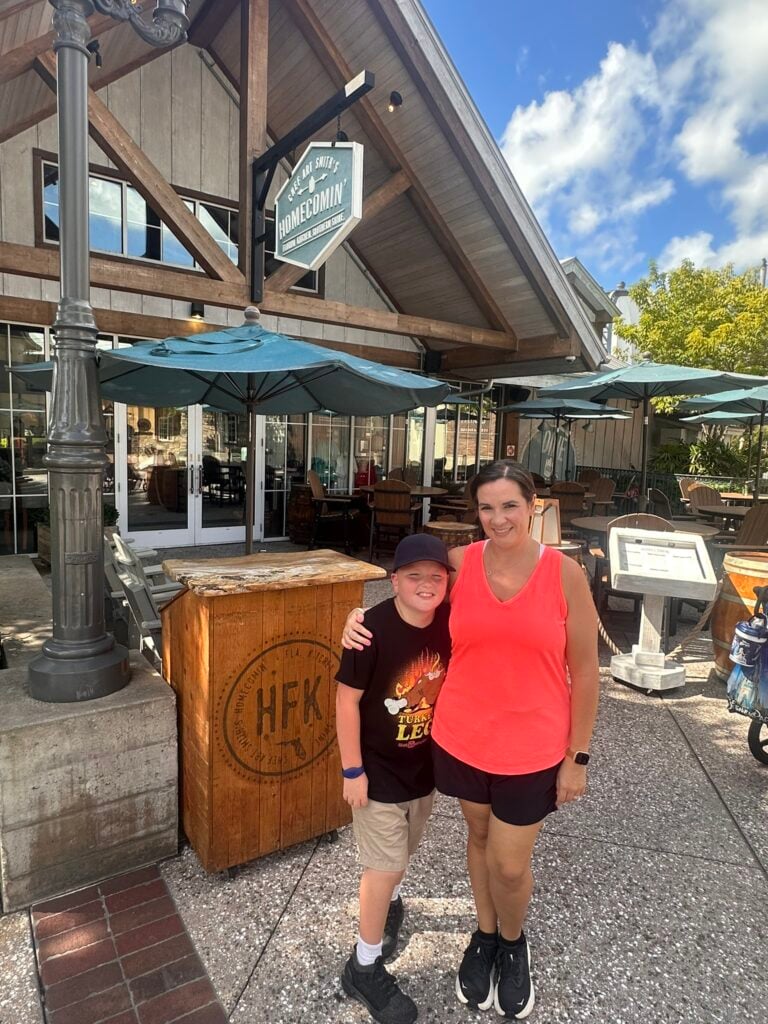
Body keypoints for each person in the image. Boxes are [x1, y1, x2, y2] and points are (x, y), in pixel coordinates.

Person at [343, 460, 599, 1020]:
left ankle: (513, 943)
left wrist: (577, 757)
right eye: (487, 507)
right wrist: (356, 620)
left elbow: (586, 670)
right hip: (461, 738)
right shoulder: (462, 564)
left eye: (510, 505)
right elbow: (413, 593)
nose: (499, 518)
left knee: (510, 863)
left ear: (534, 505)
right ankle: (483, 937)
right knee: (479, 838)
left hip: (534, 746)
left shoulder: (564, 575)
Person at [337, 533, 453, 1024]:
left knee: (402, 855)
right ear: (394, 580)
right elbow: (345, 701)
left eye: (436, 575)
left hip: (422, 771)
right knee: (382, 866)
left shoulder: (451, 620)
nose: (426, 584)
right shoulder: (370, 629)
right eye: (413, 576)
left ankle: (392, 902)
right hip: (377, 771)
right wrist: (352, 770)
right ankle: (363, 967)